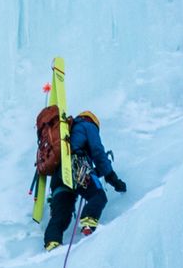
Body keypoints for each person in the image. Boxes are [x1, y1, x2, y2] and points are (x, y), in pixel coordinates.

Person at [41, 106, 128, 248]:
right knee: (98, 196)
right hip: (78, 166)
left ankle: (52, 242)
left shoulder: (68, 133)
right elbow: (97, 151)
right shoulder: (87, 125)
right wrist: (112, 178)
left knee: (62, 214)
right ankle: (88, 222)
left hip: (58, 175)